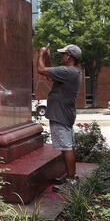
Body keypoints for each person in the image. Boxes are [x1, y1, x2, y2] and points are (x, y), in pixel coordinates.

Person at [37, 44, 82, 192]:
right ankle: (70, 177)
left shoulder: (68, 71)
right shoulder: (70, 72)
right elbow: (50, 75)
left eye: (63, 54)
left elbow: (41, 70)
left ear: (69, 56)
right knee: (66, 146)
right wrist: (48, 57)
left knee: (66, 146)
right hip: (63, 113)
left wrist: (41, 54)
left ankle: (71, 180)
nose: (61, 56)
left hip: (61, 114)